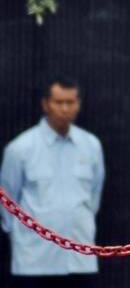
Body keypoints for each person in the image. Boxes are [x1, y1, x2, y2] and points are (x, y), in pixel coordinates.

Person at [0, 76, 104, 288]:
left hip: (80, 258)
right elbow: (8, 202)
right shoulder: (20, 149)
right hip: (35, 261)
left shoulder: (91, 145)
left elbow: (94, 196)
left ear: (79, 104)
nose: (65, 109)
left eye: (70, 102)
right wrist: (24, 238)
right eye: (59, 102)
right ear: (46, 104)